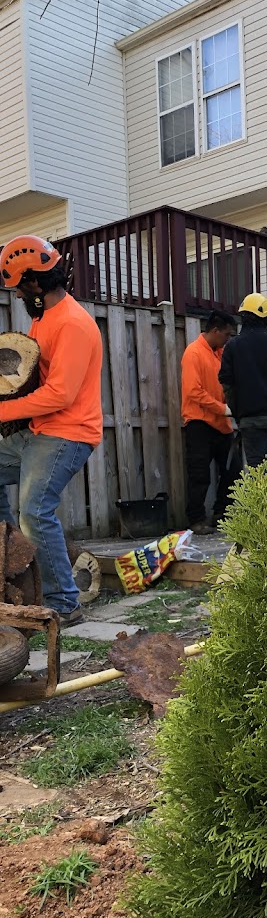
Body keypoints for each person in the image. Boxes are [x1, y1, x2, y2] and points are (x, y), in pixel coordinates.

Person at [0, 235, 103, 626]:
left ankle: (64, 604)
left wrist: (4, 409)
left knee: (36, 511)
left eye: (19, 287)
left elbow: (60, 394)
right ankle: (7, 553)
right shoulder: (43, 316)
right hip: (38, 430)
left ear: (34, 282)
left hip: (68, 433)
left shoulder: (75, 324)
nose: (18, 295)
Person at [181, 310, 240, 534]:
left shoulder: (220, 353)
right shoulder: (193, 353)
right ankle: (196, 520)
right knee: (199, 474)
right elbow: (193, 391)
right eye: (226, 334)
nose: (228, 338)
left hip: (221, 424)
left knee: (232, 470)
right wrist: (223, 408)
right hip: (199, 423)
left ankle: (221, 514)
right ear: (215, 331)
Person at [218, 293, 267, 468]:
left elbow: (227, 384)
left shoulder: (233, 347)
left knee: (258, 474)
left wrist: (238, 412)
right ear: (266, 318)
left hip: (250, 420)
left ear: (243, 317)